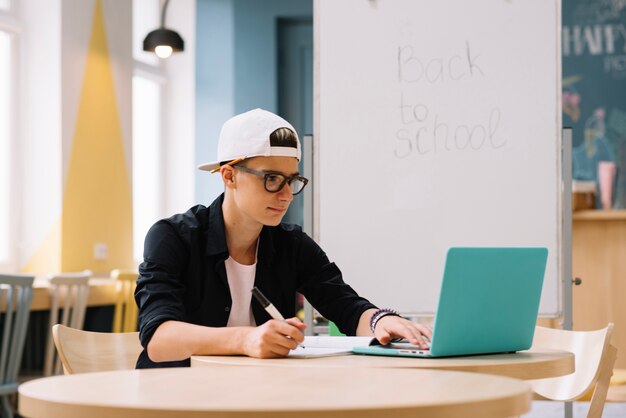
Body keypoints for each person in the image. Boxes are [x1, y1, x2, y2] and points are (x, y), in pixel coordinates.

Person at [135, 108, 432, 368]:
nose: (287, 195)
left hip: (260, 397)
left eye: (292, 180)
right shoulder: (173, 237)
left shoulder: (291, 244)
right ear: (229, 176)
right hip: (177, 398)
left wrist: (382, 321)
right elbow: (159, 339)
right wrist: (246, 339)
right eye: (272, 179)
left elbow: (346, 306)